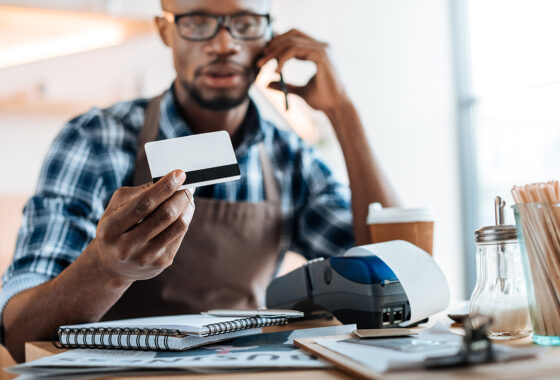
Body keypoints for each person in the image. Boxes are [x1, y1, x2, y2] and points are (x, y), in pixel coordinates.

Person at [0, 0, 398, 362]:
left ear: (271, 35)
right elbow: (19, 334)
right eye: (198, 21)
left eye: (244, 22)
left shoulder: (289, 157)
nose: (224, 44)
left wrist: (343, 113)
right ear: (164, 30)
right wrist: (107, 269)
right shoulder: (96, 140)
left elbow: (394, 272)